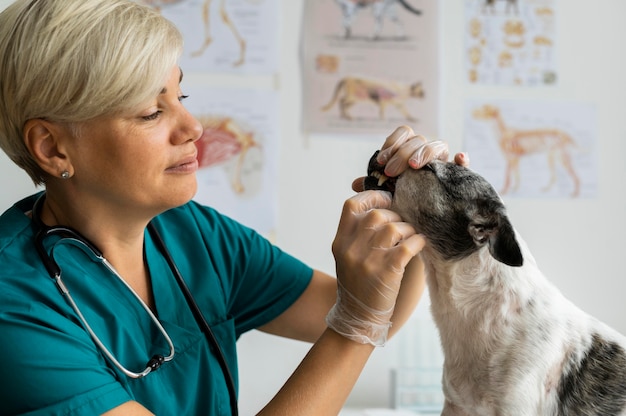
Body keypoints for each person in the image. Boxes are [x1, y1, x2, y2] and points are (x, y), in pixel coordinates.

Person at [0, 0, 467, 415]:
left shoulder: (193, 234)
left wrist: (416, 209)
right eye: (150, 112)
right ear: (52, 147)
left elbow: (380, 314)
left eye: (180, 96)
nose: (193, 127)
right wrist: (355, 325)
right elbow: (361, 317)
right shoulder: (14, 306)